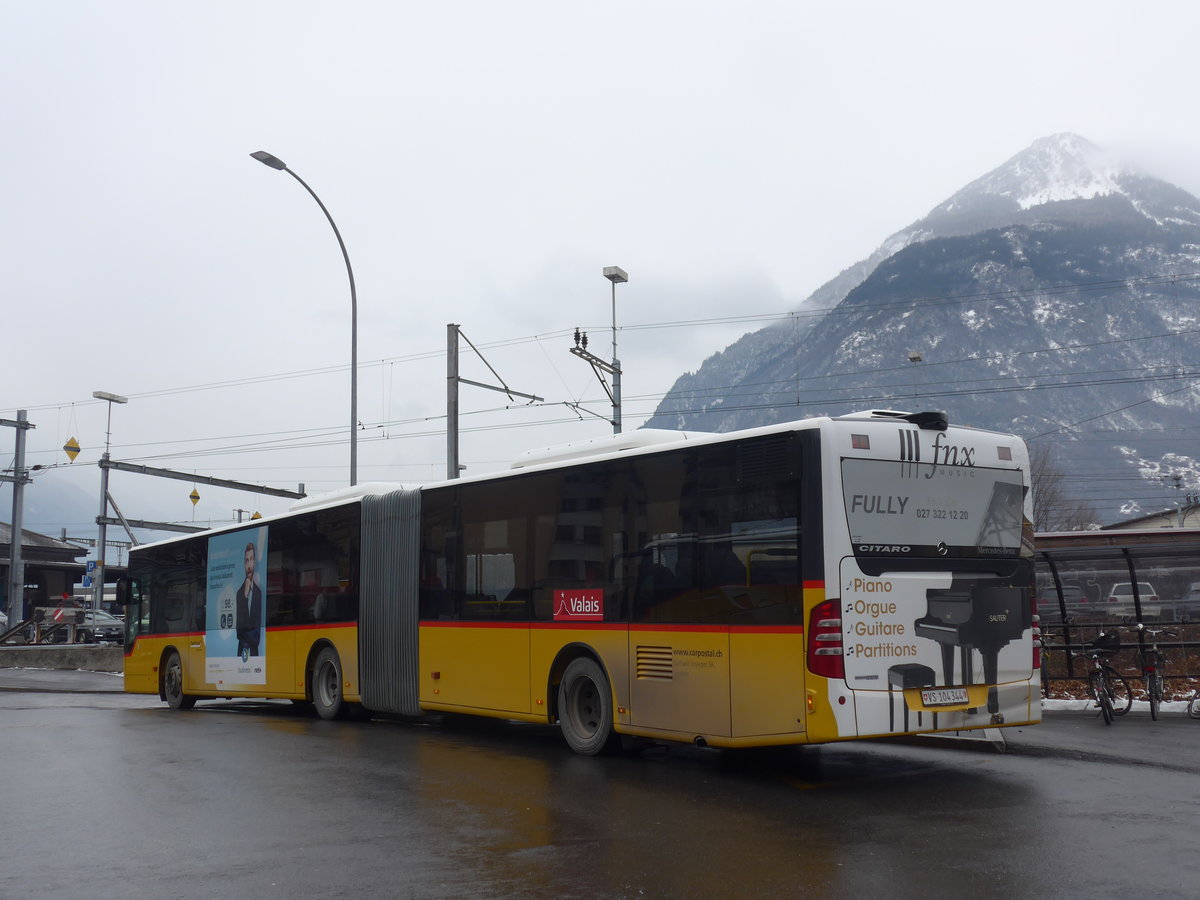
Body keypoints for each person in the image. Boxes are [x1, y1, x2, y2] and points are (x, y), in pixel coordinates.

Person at [235, 542, 263, 658]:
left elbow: (257, 635)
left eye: (251, 559)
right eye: (246, 561)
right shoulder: (239, 594)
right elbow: (239, 632)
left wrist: (247, 635)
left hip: (255, 656)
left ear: (255, 562)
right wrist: (244, 597)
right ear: (244, 564)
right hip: (242, 655)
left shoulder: (259, 593)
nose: (249, 565)